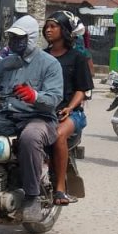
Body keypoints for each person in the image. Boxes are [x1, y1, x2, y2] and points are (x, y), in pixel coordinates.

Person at [0, 15, 63, 223]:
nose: (14, 42)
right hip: (7, 116)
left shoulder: (49, 64)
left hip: (39, 118)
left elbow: (54, 98)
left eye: (19, 38)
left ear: (32, 38)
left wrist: (35, 96)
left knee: (30, 137)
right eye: (12, 38)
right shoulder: (4, 64)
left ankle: (32, 197)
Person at [42, 11, 93, 205]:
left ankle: (60, 188)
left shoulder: (77, 58)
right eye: (46, 26)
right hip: (43, 110)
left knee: (58, 134)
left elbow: (82, 90)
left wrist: (70, 108)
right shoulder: (41, 56)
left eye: (53, 26)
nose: (48, 30)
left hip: (71, 113)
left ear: (64, 30)